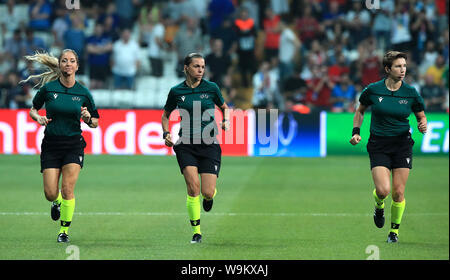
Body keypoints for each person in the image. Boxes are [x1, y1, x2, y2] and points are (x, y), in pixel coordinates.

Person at [20, 49, 99, 243]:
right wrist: (38, 117)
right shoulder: (48, 89)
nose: (68, 64)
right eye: (65, 61)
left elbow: (96, 121)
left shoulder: (83, 92)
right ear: (60, 65)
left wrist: (89, 119)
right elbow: (33, 109)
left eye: (72, 61)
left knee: (68, 189)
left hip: (73, 145)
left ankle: (64, 231)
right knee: (50, 193)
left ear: (77, 66)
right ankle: (56, 203)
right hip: (51, 145)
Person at [349, 51, 427, 243]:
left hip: (402, 144)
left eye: (404, 66)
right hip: (379, 144)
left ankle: (394, 232)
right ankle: (379, 205)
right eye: (398, 66)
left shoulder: (411, 93)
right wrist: (356, 131)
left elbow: (421, 115)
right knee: (383, 190)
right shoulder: (373, 90)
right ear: (387, 69)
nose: (402, 70)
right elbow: (360, 111)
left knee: (398, 192)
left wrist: (422, 124)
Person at [161, 53, 229, 244]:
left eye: (202, 67)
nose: (200, 70)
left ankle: (210, 198)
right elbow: (166, 115)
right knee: (193, 188)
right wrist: (166, 133)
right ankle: (196, 232)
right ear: (186, 68)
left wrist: (226, 120)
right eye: (196, 66)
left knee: (207, 192)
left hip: (209, 144)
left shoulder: (211, 88)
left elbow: (224, 107)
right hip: (186, 145)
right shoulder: (176, 91)